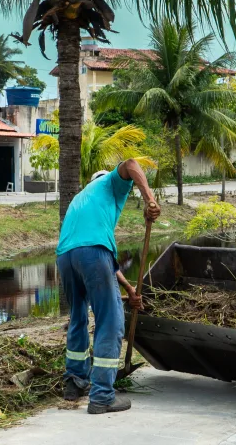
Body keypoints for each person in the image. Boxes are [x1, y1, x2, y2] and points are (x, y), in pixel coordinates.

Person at [56, 159, 161, 414]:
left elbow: (106, 266)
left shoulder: (81, 199)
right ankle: (102, 395)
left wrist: (129, 290)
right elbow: (131, 163)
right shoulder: (110, 184)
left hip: (66, 256)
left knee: (78, 317)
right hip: (92, 253)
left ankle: (74, 382)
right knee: (111, 320)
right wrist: (150, 198)